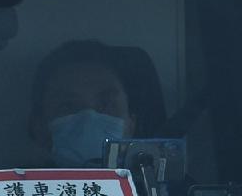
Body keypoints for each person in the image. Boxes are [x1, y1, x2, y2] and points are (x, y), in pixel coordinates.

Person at [27, 39, 166, 166]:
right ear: (39, 128)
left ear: (131, 124)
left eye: (107, 104)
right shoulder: (15, 191)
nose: (89, 117)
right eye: (68, 106)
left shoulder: (163, 193)